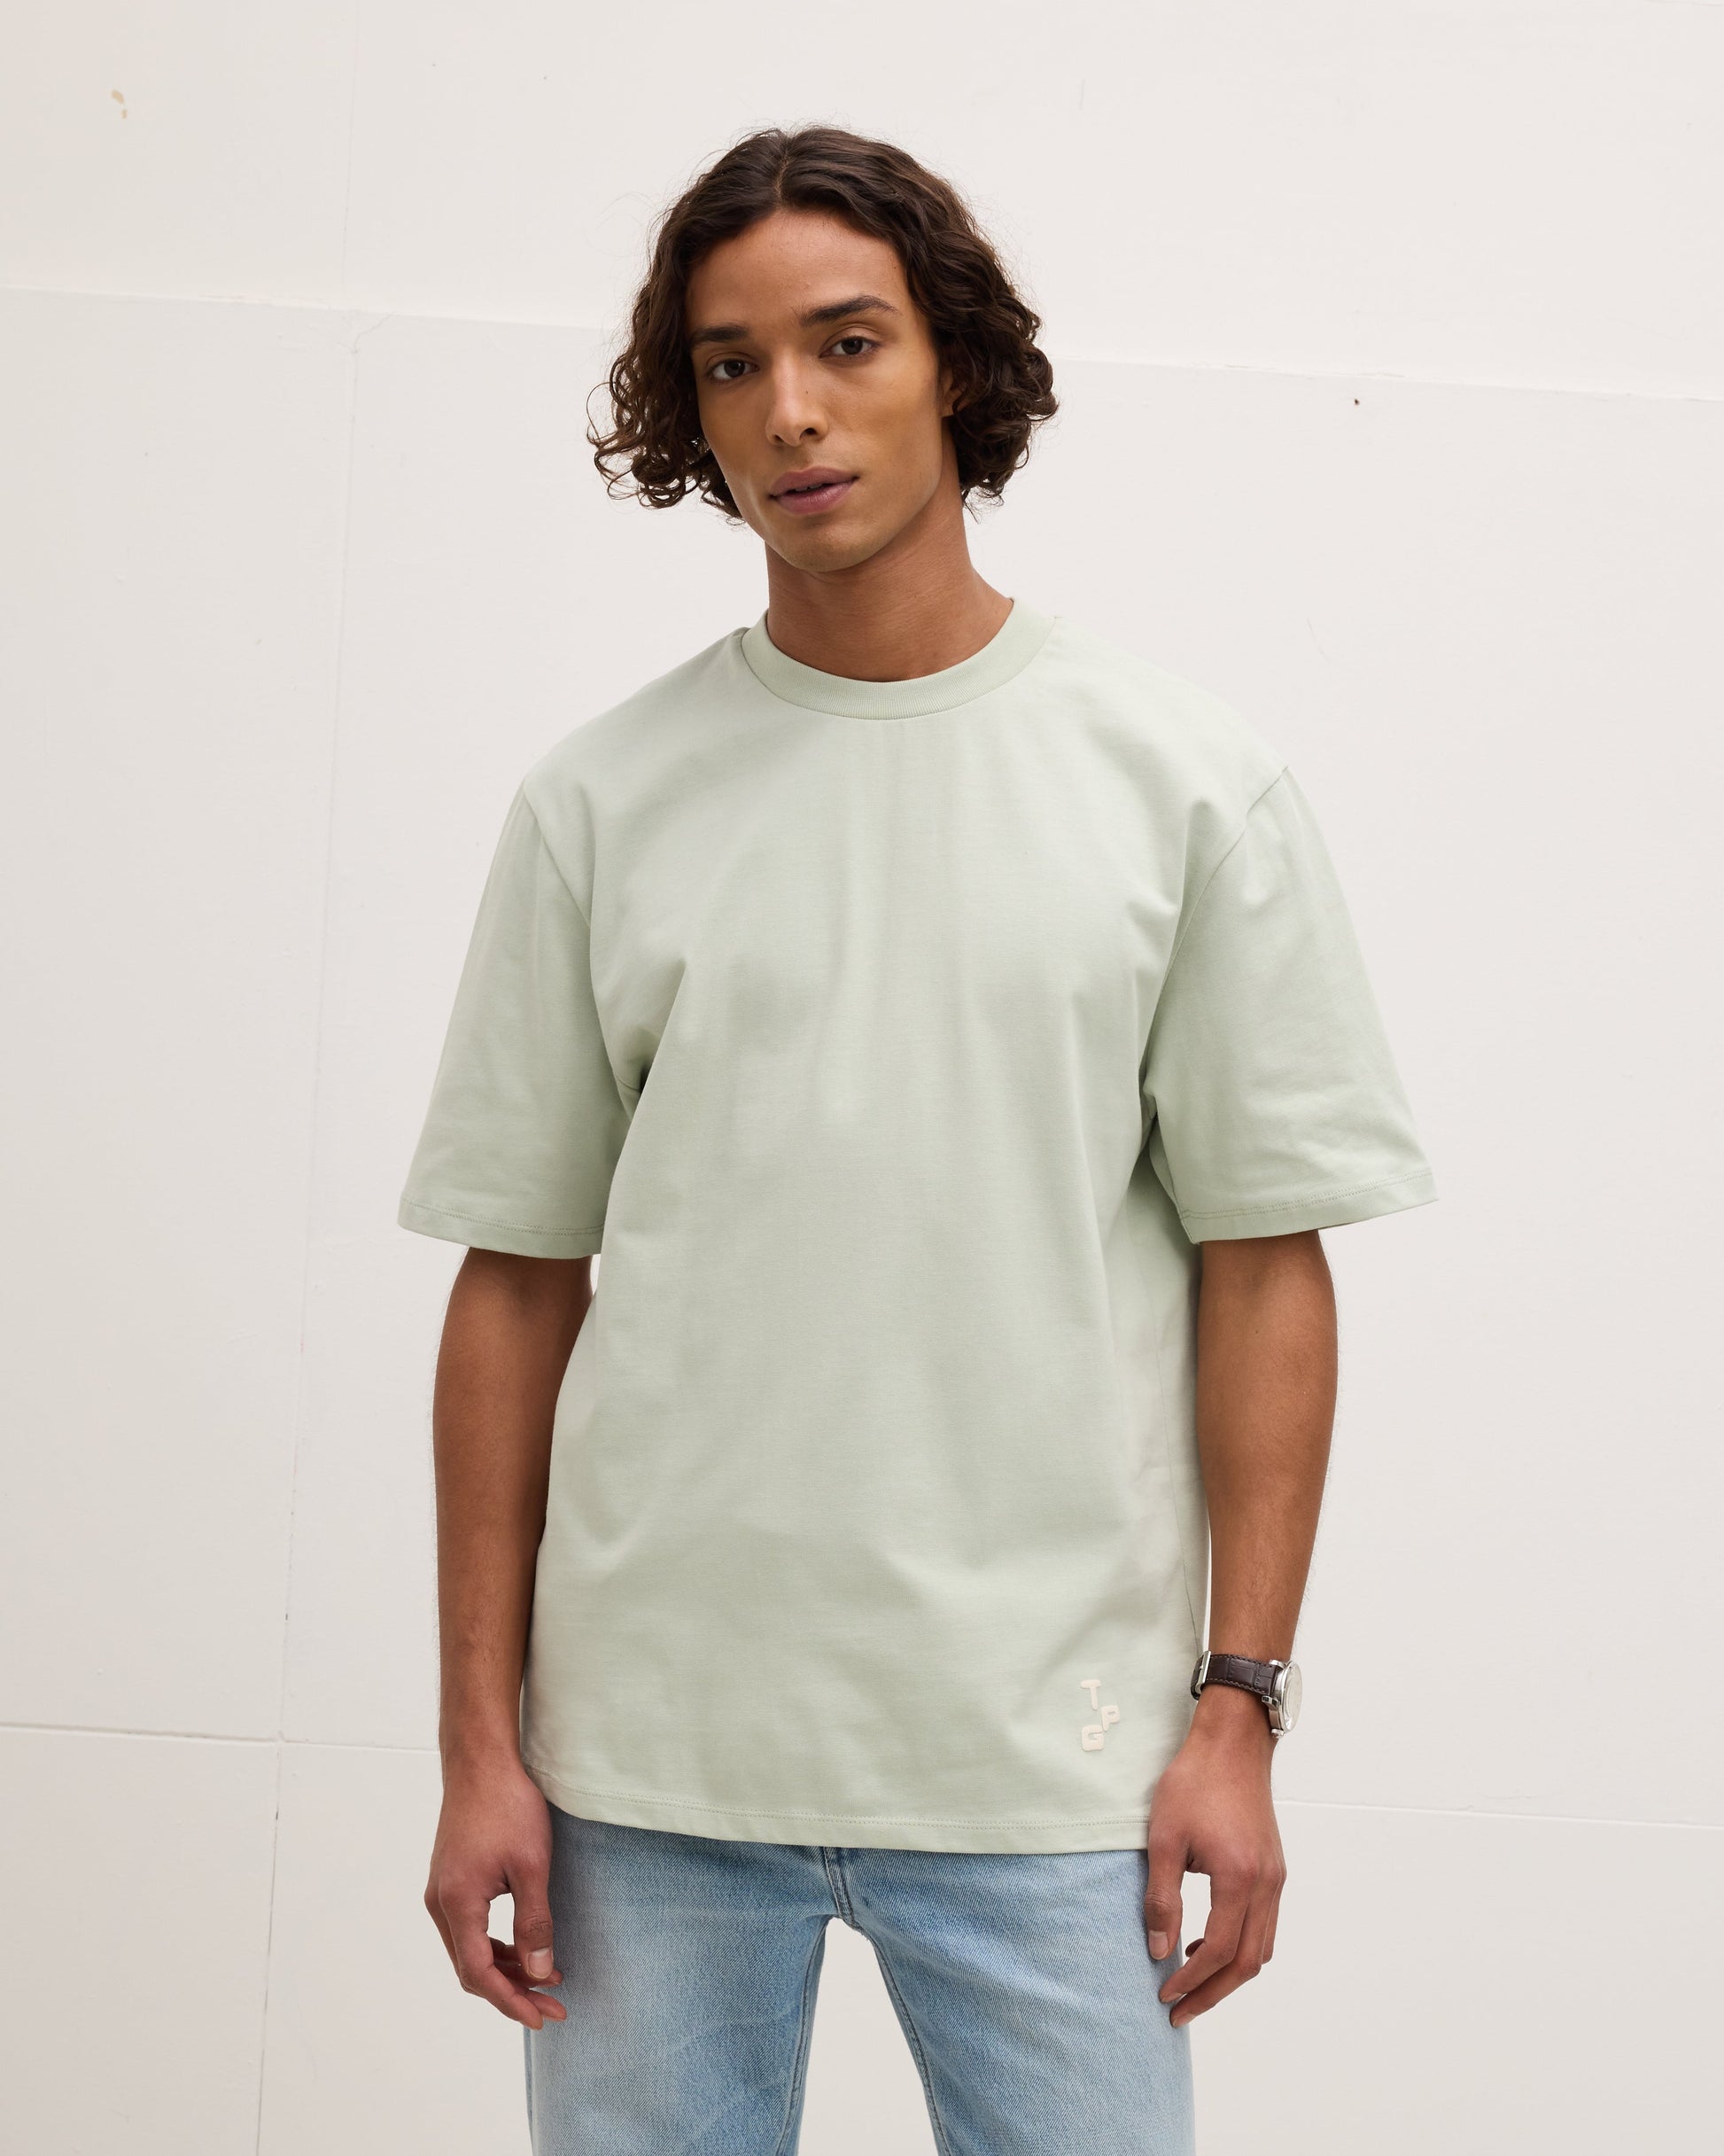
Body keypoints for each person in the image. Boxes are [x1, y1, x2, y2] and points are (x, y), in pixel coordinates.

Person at [397, 123, 1436, 2156]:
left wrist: (1239, 1704)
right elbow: (513, 1287)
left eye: (845, 341)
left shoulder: (1178, 786)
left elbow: (1265, 1266)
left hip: (1050, 1765)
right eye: (729, 363)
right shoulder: (602, 803)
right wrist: (475, 1743)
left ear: (952, 359)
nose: (789, 408)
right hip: (646, 1772)